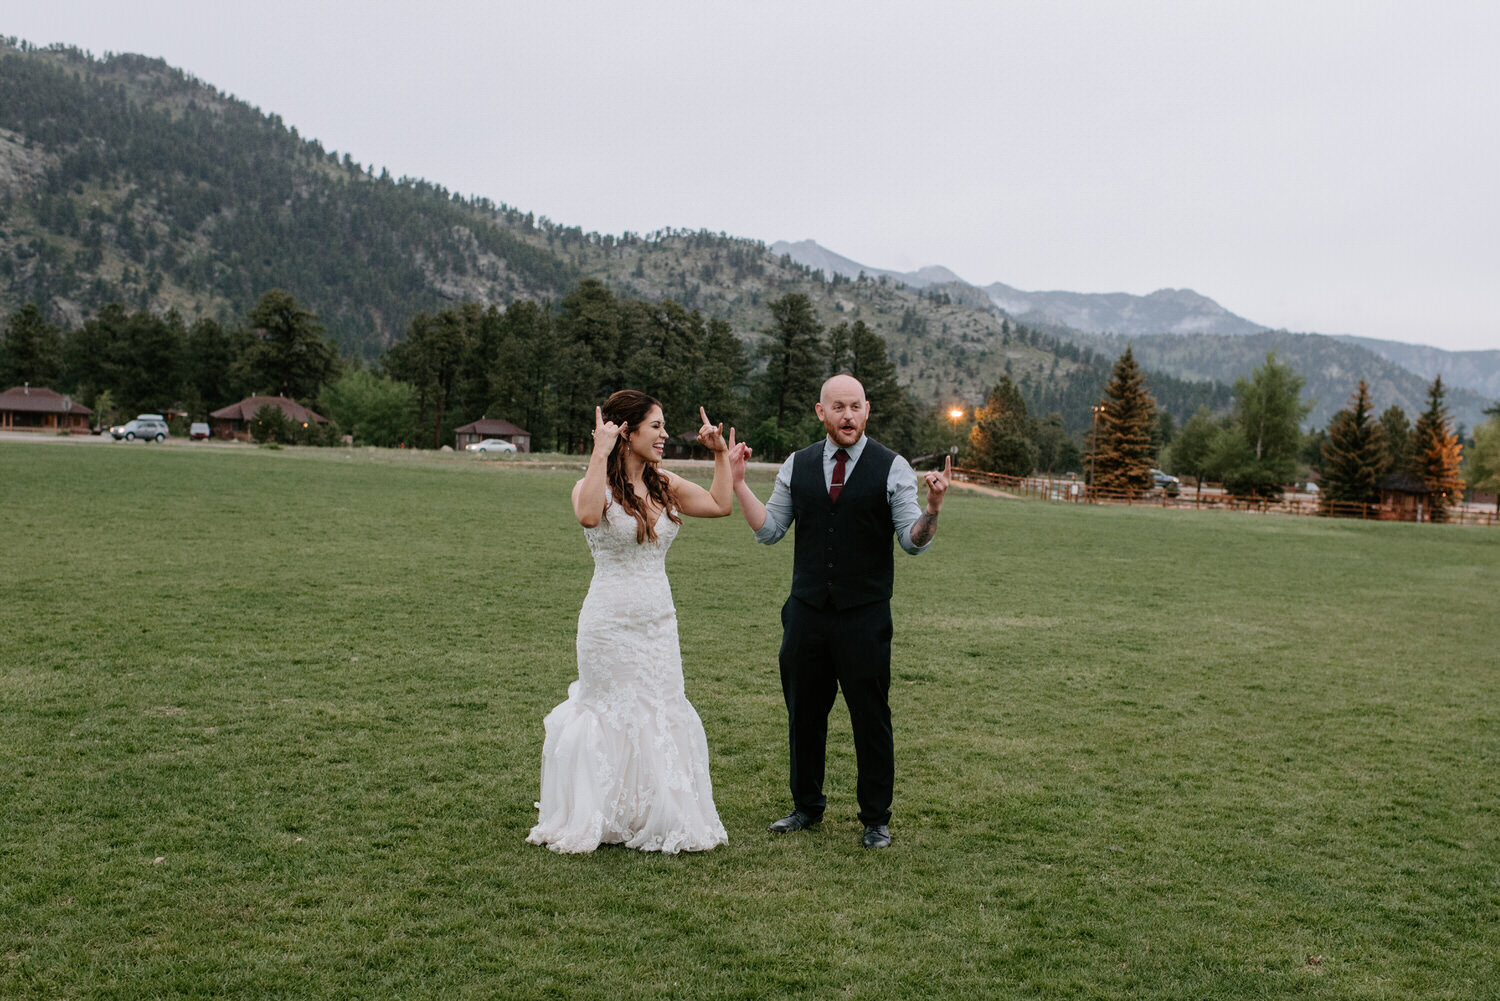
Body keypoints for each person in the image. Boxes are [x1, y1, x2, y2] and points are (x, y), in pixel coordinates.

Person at [728, 374, 949, 849]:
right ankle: (806, 806)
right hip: (806, 612)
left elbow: (912, 542)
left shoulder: (892, 467)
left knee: (870, 717)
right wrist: (739, 483)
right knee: (803, 713)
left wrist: (931, 510)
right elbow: (769, 530)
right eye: (838, 407)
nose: (848, 416)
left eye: (856, 407)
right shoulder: (797, 464)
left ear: (867, 410)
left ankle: (876, 818)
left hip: (864, 615)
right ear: (821, 412)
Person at [526, 391, 735, 854]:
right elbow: (586, 513)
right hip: (608, 624)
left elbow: (721, 504)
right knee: (611, 711)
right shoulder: (594, 482)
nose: (664, 435)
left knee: (661, 708)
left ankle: (649, 812)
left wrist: (719, 454)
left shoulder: (665, 484)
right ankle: (603, 813)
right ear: (627, 431)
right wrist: (600, 450)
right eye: (656, 426)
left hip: (659, 621)